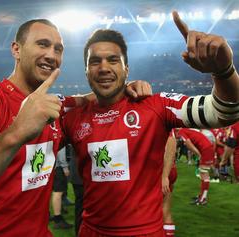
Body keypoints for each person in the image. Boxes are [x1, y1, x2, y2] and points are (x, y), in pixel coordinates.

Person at [0, 19, 151, 237]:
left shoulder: (54, 108)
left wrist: (125, 86)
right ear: (16, 49)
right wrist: (15, 133)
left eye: (58, 49)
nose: (52, 55)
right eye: (42, 44)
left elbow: (91, 98)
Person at [61, 11, 239, 236]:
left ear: (126, 69)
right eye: (94, 61)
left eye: (113, 60)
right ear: (86, 72)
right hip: (90, 231)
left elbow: (223, 111)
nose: (104, 67)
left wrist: (223, 71)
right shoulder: (73, 116)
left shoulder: (156, 105)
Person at [176, 128, 215, 205]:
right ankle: (202, 196)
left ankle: (203, 198)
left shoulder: (181, 132)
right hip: (206, 147)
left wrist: (198, 154)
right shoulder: (186, 130)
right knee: (202, 173)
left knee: (204, 173)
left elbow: (188, 144)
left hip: (205, 148)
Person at [51, 146, 73, 229]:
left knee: (57, 192)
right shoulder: (58, 133)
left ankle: (58, 212)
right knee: (58, 192)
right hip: (58, 167)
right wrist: (65, 167)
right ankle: (58, 219)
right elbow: (60, 150)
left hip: (53, 165)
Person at [162, 131, 177, 237]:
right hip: (170, 168)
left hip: (160, 170)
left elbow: (171, 141)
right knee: (165, 209)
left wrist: (165, 175)